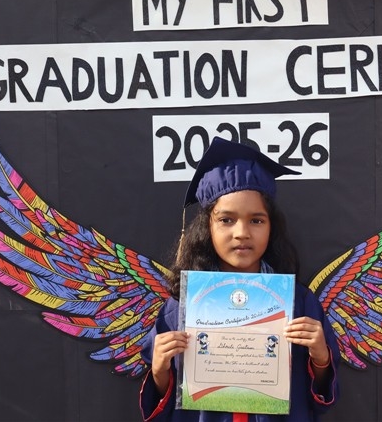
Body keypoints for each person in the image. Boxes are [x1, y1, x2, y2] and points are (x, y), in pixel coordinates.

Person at [140, 137, 340, 422]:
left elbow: (319, 399)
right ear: (207, 227)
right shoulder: (182, 308)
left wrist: (320, 358)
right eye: (227, 220)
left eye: (256, 220)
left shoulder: (298, 304)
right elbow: (162, 402)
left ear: (271, 227)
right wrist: (160, 369)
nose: (242, 233)